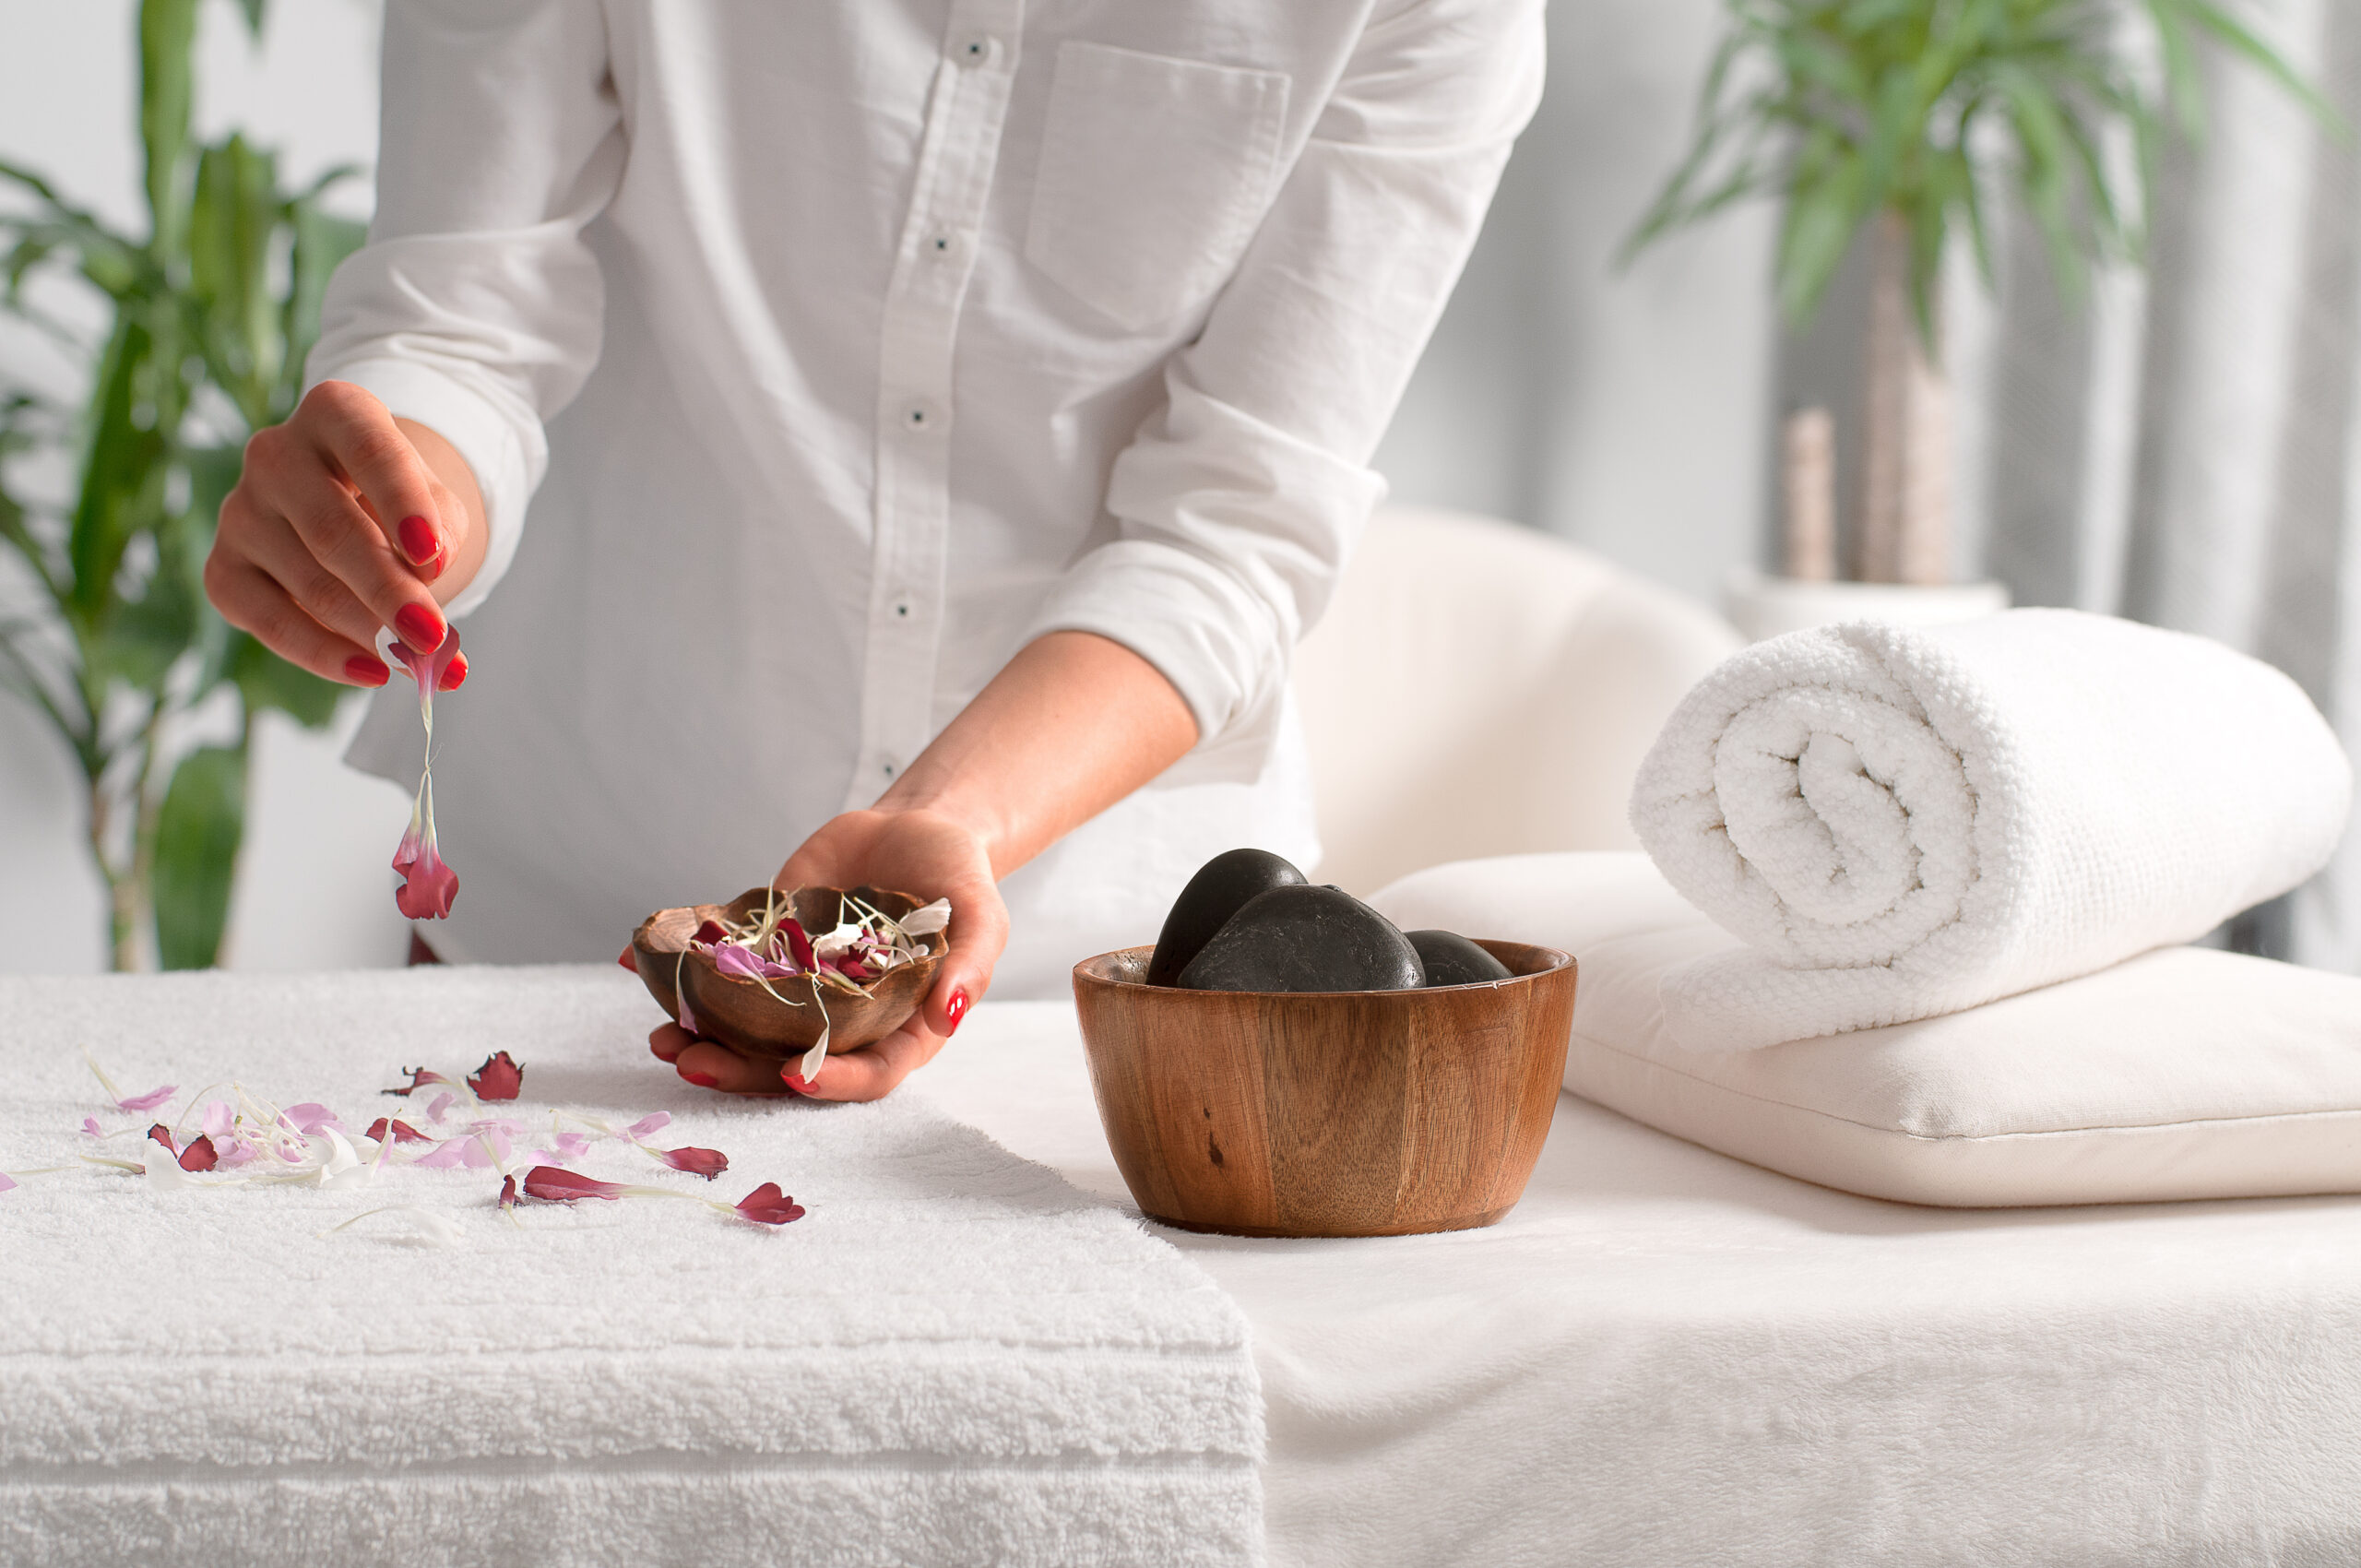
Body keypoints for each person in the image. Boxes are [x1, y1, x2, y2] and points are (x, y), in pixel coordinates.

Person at [204, 1, 1544, 1101]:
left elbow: (1232, 525)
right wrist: (392, 507)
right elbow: (464, 315)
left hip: (1108, 1001)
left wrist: (952, 822)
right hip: (569, 913)